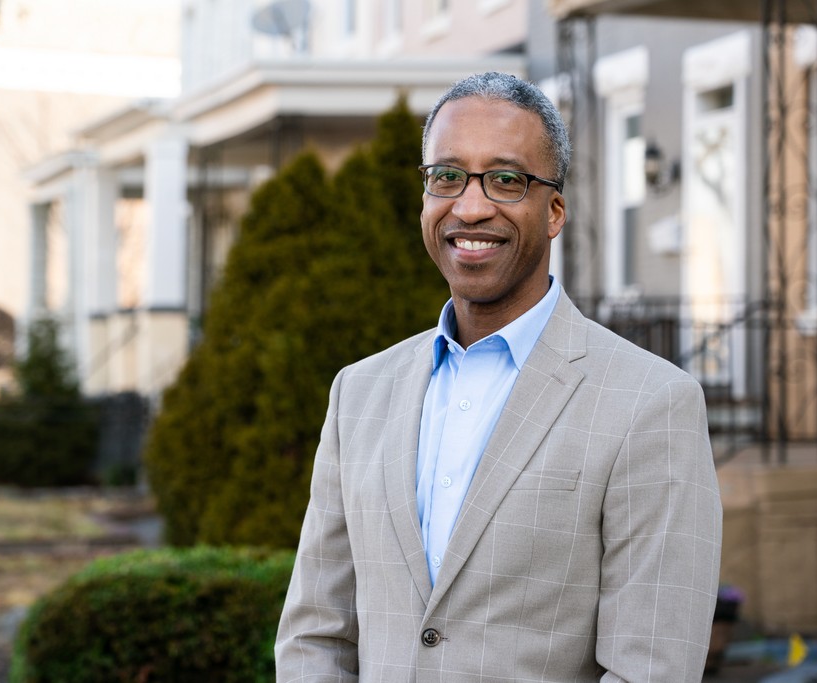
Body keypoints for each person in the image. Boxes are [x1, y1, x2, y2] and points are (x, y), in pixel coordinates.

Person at [275, 71, 722, 682]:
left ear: (554, 209)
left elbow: (652, 668)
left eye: (507, 180)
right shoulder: (359, 392)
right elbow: (314, 634)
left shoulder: (651, 404)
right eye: (447, 176)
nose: (472, 205)